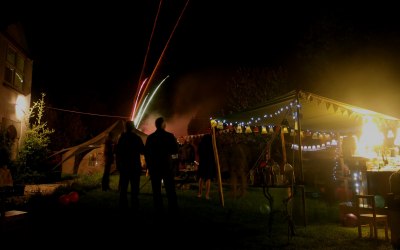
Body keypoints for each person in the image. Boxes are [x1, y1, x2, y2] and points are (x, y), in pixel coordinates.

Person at [145, 117, 179, 216]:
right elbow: (175, 150)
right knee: (170, 190)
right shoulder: (169, 136)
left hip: (155, 167)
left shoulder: (150, 137)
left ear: (156, 125)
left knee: (156, 191)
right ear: (164, 125)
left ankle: (158, 210)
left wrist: (149, 166)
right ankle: (173, 211)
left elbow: (147, 153)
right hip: (166, 166)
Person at [115, 120, 145, 212]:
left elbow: (118, 152)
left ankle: (123, 207)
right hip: (135, 166)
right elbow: (142, 151)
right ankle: (134, 207)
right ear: (133, 127)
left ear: (125, 127)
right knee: (135, 189)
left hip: (124, 166)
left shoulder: (121, 138)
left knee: (123, 188)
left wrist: (118, 165)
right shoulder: (137, 138)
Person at [197, 133, 216, 200]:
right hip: (209, 163)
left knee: (201, 178)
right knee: (208, 178)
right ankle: (207, 195)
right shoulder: (212, 145)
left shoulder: (201, 144)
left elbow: (198, 153)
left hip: (202, 162)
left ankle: (199, 194)